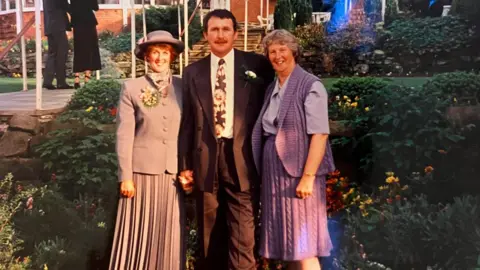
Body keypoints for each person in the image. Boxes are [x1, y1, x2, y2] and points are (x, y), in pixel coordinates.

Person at [178, 9, 274, 270]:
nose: (220, 35)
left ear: (235, 33)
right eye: (214, 30)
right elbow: (187, 123)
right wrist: (185, 165)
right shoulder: (192, 72)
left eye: (225, 29)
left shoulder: (256, 66)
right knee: (209, 227)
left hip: (241, 156)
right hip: (205, 157)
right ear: (206, 35)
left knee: (243, 228)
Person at [251, 29, 336, 270]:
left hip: (299, 173)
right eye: (272, 51)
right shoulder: (273, 88)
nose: (277, 56)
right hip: (275, 173)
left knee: (304, 242)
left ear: (294, 52)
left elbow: (320, 134)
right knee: (288, 244)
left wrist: (308, 177)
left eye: (283, 50)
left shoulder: (311, 85)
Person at [109, 30, 186, 270]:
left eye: (165, 53)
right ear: (146, 57)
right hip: (140, 175)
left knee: (169, 231)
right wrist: (126, 177)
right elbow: (124, 134)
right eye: (155, 53)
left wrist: (188, 169)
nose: (160, 58)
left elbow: (191, 130)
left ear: (171, 57)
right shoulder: (132, 88)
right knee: (138, 232)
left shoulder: (184, 86)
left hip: (172, 175)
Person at [69, 0, 102, 89]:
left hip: (77, 22)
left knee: (78, 49)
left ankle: (77, 78)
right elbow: (96, 7)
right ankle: (87, 77)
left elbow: (70, 7)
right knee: (89, 49)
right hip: (88, 21)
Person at [42, 0, 72, 90]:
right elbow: (65, 5)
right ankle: (61, 82)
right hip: (58, 26)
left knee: (52, 54)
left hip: (49, 27)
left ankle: (47, 81)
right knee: (62, 54)